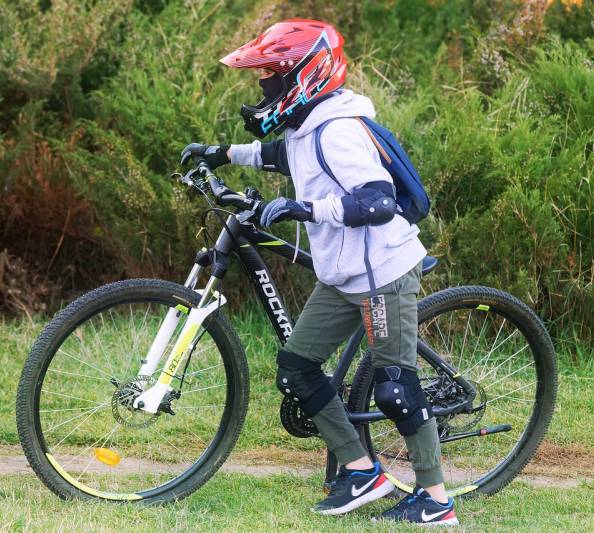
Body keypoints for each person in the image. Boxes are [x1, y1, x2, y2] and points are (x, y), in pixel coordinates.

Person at [181, 19, 458, 527]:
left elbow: (377, 202)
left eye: (271, 78)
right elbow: (283, 156)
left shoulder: (339, 130)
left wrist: (303, 210)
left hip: (382, 275)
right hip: (344, 275)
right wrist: (220, 154)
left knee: (394, 387)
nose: (263, 88)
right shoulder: (309, 125)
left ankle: (436, 500)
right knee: (297, 367)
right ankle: (360, 469)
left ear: (303, 78)